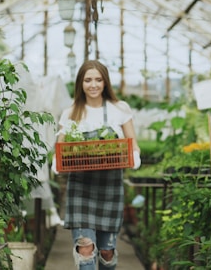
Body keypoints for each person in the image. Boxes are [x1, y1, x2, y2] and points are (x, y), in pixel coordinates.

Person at [56, 60, 141, 270]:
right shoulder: (71, 113)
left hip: (109, 187)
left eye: (98, 79)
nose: (93, 85)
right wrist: (56, 162)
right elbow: (60, 146)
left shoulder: (119, 109)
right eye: (87, 80)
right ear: (80, 83)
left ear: (105, 82)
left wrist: (135, 156)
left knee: (107, 251)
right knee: (85, 249)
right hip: (80, 188)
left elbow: (132, 143)